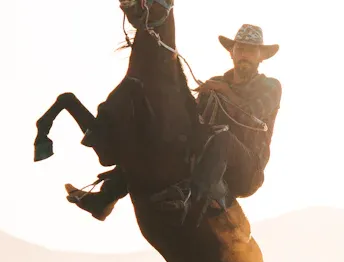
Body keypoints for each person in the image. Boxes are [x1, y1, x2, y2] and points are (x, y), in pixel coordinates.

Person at [65, 24, 283, 223]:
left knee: (223, 137)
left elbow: (253, 115)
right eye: (240, 49)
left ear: (261, 57)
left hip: (246, 170)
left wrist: (224, 91)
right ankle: (105, 197)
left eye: (251, 51)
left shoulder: (270, 86)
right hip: (209, 158)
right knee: (161, 136)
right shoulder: (215, 84)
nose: (245, 54)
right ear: (231, 52)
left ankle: (193, 196)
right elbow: (195, 121)